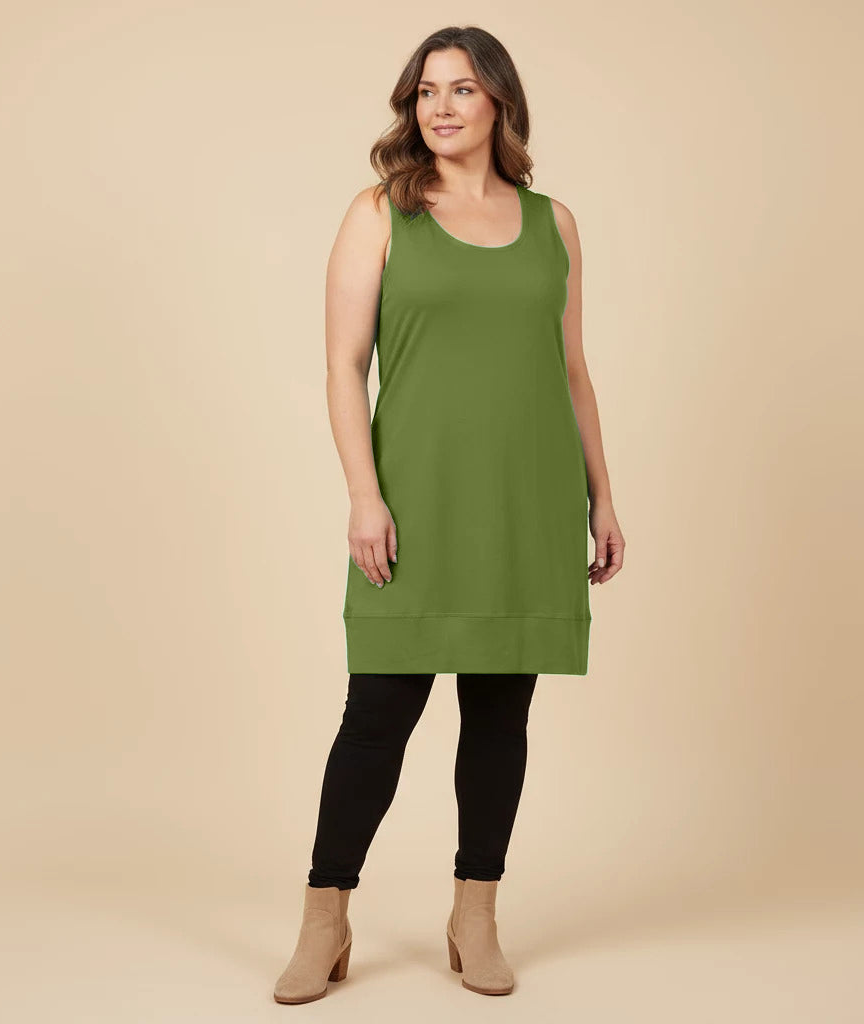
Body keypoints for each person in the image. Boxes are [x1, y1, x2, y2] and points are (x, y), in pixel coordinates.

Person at [274, 25, 624, 1004]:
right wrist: (363, 493)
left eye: (462, 89)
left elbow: (571, 370)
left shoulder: (553, 224)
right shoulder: (380, 212)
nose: (440, 106)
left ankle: (476, 915)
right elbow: (343, 363)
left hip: (527, 499)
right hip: (416, 500)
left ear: (499, 100)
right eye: (426, 90)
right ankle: (324, 918)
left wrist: (602, 494)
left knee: (500, 714)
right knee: (377, 713)